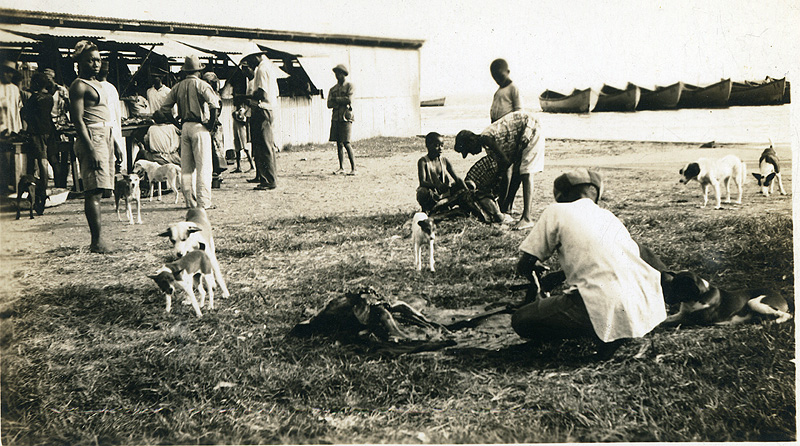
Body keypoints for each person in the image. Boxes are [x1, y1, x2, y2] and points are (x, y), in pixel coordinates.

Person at [513, 168, 666, 355]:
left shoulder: (556, 210)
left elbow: (525, 264)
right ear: (596, 195)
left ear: (560, 195)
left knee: (521, 319)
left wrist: (535, 284)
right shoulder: (609, 217)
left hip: (605, 304)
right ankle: (614, 331)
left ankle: (595, 329)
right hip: (644, 307)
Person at [69, 40, 122, 253]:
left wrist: (116, 142)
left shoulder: (100, 85)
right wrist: (90, 148)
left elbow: (106, 117)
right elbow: (78, 121)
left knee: (102, 188)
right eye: (91, 60)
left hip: (106, 135)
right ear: (80, 62)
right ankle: (96, 242)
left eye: (98, 60)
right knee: (93, 191)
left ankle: (99, 239)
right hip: (92, 138)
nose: (96, 64)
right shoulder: (78, 85)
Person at [454, 110, 544, 230]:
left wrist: (500, 199)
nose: (471, 154)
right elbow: (510, 168)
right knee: (518, 172)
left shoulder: (487, 139)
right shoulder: (488, 147)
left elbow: (506, 168)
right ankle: (508, 209)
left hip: (530, 126)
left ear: (471, 140)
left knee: (526, 173)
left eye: (468, 150)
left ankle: (527, 218)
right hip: (520, 134)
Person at [159, 55, 219, 208]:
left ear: (185, 71)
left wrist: (176, 123)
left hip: (185, 127)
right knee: (203, 166)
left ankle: (189, 201)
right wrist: (210, 125)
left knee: (186, 167)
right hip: (199, 127)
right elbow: (214, 106)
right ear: (198, 71)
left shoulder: (178, 86)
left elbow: (165, 109)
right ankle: (204, 201)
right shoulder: (202, 85)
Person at [242, 53, 279, 190]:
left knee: (264, 146)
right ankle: (267, 178)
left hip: (262, 108)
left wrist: (246, 96)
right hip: (268, 109)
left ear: (255, 57)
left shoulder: (262, 69)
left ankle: (269, 180)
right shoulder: (268, 67)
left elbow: (262, 94)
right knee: (264, 145)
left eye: (249, 62)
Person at [416, 132, 466, 213]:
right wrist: (437, 186)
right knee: (422, 191)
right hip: (432, 194)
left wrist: (467, 190)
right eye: (436, 145)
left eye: (442, 145)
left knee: (469, 184)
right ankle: (428, 208)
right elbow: (422, 182)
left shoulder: (444, 160)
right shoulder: (423, 161)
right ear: (428, 146)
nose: (440, 148)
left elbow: (456, 178)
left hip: (445, 194)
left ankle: (446, 205)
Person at [22, 72, 54, 194]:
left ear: (35, 84)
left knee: (41, 160)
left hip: (36, 132)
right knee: (43, 159)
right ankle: (43, 186)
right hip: (47, 131)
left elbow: (26, 113)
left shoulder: (34, 98)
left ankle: (42, 189)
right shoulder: (49, 97)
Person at [44, 68, 71, 188]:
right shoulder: (43, 91)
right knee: (52, 155)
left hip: (62, 124)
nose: (47, 81)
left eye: (49, 78)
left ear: (52, 78)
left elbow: (69, 107)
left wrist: (66, 101)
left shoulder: (61, 90)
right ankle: (58, 181)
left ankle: (62, 183)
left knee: (65, 154)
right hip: (49, 125)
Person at [327, 64, 356, 175]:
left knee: (346, 143)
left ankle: (354, 168)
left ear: (344, 74)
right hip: (336, 118)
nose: (337, 76)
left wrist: (336, 100)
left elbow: (349, 99)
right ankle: (341, 168)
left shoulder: (349, 86)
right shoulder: (333, 89)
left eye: (339, 73)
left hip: (346, 117)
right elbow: (329, 104)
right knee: (338, 143)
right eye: (336, 73)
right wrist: (340, 101)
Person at [0, 59, 23, 192]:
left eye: (10, 73)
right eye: (5, 72)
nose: (7, 75)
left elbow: (18, 108)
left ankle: (12, 184)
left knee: (12, 157)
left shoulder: (15, 89)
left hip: (13, 127)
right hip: (2, 128)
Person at [97, 61, 124, 172]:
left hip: (104, 128)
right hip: (114, 127)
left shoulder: (97, 88)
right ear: (107, 73)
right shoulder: (112, 88)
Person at [489, 58, 522, 123]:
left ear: (508, 72)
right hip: (496, 123)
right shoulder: (498, 91)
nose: (498, 80)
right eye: (495, 78)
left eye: (501, 77)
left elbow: (518, 109)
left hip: (507, 123)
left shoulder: (513, 88)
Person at [231, 99, 253, 172]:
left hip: (242, 132)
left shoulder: (242, 111)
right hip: (236, 132)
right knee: (237, 150)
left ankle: (252, 165)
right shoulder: (235, 111)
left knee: (245, 149)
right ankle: (238, 167)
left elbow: (243, 121)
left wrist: (237, 116)